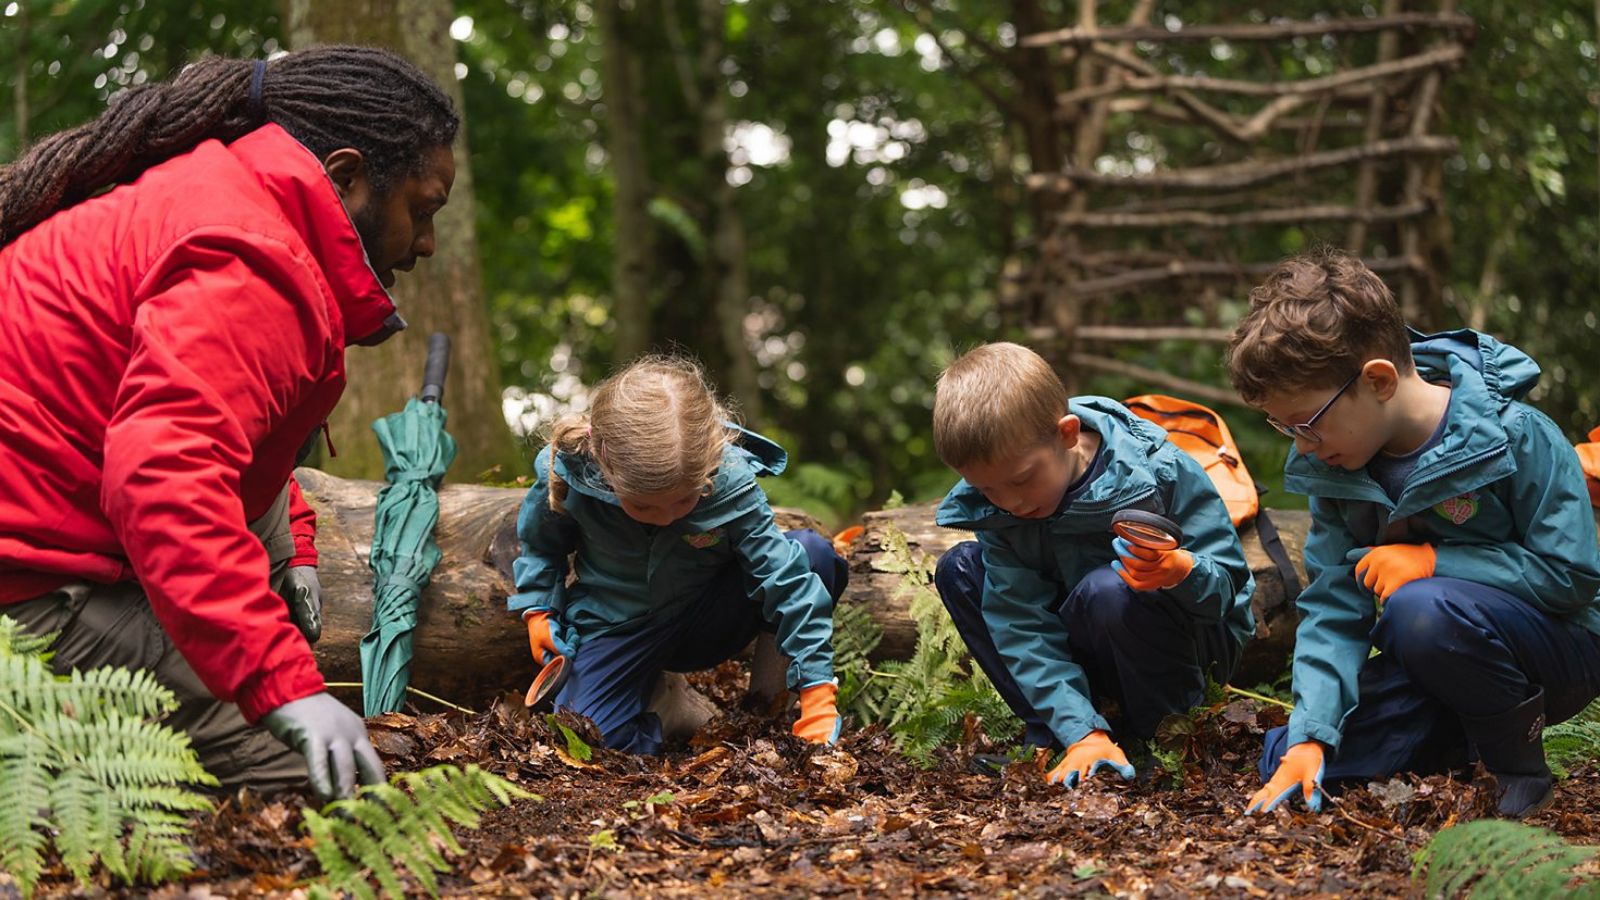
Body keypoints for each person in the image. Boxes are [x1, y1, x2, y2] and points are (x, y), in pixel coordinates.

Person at [0, 46, 461, 803]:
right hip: (29, 581)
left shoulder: (231, 196)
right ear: (345, 179)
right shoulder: (256, 260)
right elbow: (163, 471)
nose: (425, 243)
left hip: (51, 534)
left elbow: (230, 437)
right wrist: (281, 686)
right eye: (423, 209)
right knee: (326, 791)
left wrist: (296, 552)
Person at [1228, 249, 1600, 818]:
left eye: (1306, 423)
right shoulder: (1338, 467)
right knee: (1297, 755)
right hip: (1443, 653)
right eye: (1283, 427)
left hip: (1560, 647)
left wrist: (1434, 563)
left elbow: (1570, 577)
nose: (1301, 444)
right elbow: (1333, 603)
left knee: (1419, 608)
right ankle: (1459, 739)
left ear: (1377, 380)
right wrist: (1310, 733)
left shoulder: (1519, 437)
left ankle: (1518, 771)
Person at [931, 342, 1255, 787]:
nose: (1009, 502)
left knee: (1108, 588)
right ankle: (1065, 736)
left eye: (1022, 479)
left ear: (1067, 434)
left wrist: (1181, 571)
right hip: (1090, 639)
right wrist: (1080, 730)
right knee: (960, 569)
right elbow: (1020, 623)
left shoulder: (1159, 470)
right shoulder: (1003, 511)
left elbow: (1229, 592)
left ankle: (1161, 740)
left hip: (1187, 646)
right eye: (986, 489)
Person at [510, 356, 848, 754]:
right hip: (617, 623)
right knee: (589, 738)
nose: (668, 517)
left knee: (811, 555)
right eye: (645, 507)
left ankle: (768, 711)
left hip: (707, 614)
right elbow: (541, 545)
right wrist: (539, 610)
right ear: (604, 461)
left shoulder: (728, 480)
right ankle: (666, 705)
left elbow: (786, 582)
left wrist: (818, 692)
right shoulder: (569, 471)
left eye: (685, 501)